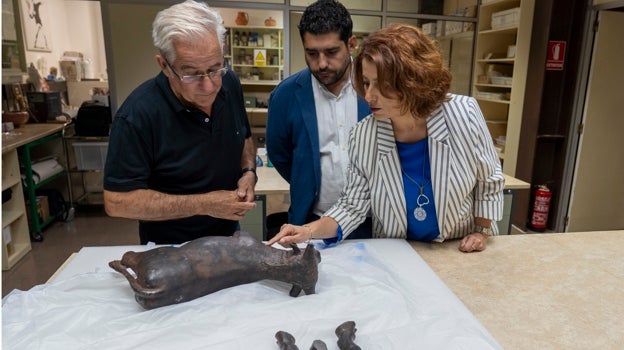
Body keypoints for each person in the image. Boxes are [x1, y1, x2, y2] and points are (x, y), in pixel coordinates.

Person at [267, 24, 505, 253]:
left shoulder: (463, 113)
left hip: (456, 246)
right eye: (367, 83)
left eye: (383, 86)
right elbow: (352, 207)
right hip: (398, 251)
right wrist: (306, 231)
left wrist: (481, 231)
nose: (369, 96)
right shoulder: (364, 135)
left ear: (414, 81)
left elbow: (488, 180)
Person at [103, 0, 257, 245]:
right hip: (170, 247)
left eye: (215, 68)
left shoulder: (229, 83)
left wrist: (248, 172)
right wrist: (206, 204)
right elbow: (117, 202)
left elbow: (245, 138)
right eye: (191, 73)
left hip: (227, 236)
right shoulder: (137, 116)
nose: (208, 86)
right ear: (164, 65)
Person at [266, 0, 372, 238]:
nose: (322, 63)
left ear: (351, 44)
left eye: (332, 52)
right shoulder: (285, 95)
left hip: (374, 220)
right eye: (312, 53)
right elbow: (280, 155)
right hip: (311, 221)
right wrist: (306, 177)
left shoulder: (376, 88)